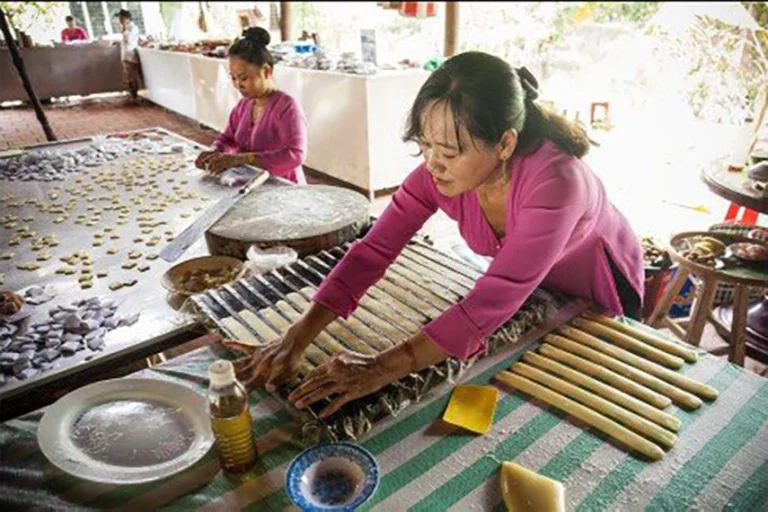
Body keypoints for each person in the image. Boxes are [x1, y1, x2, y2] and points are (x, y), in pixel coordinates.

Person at [226, 51, 645, 419]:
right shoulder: (440, 175)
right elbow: (373, 251)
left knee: (589, 386)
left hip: (595, 283)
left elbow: (491, 299)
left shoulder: (556, 183)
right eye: (425, 146)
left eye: (448, 152)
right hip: (532, 286)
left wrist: (379, 368)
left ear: (504, 144)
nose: (432, 165)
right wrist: (297, 337)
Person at [195, 27, 308, 184]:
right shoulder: (244, 106)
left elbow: (295, 155)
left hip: (283, 186)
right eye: (233, 78)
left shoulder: (287, 107)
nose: (238, 85)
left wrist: (242, 159)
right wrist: (215, 151)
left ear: (266, 71)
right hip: (252, 182)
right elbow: (228, 138)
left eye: (243, 78)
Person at [115, 9, 141, 103]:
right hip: (126, 55)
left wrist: (124, 30)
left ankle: (135, 96)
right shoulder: (127, 28)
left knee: (131, 77)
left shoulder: (132, 28)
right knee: (128, 77)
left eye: (121, 18)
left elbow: (129, 40)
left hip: (130, 55)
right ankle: (132, 95)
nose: (119, 20)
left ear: (127, 18)